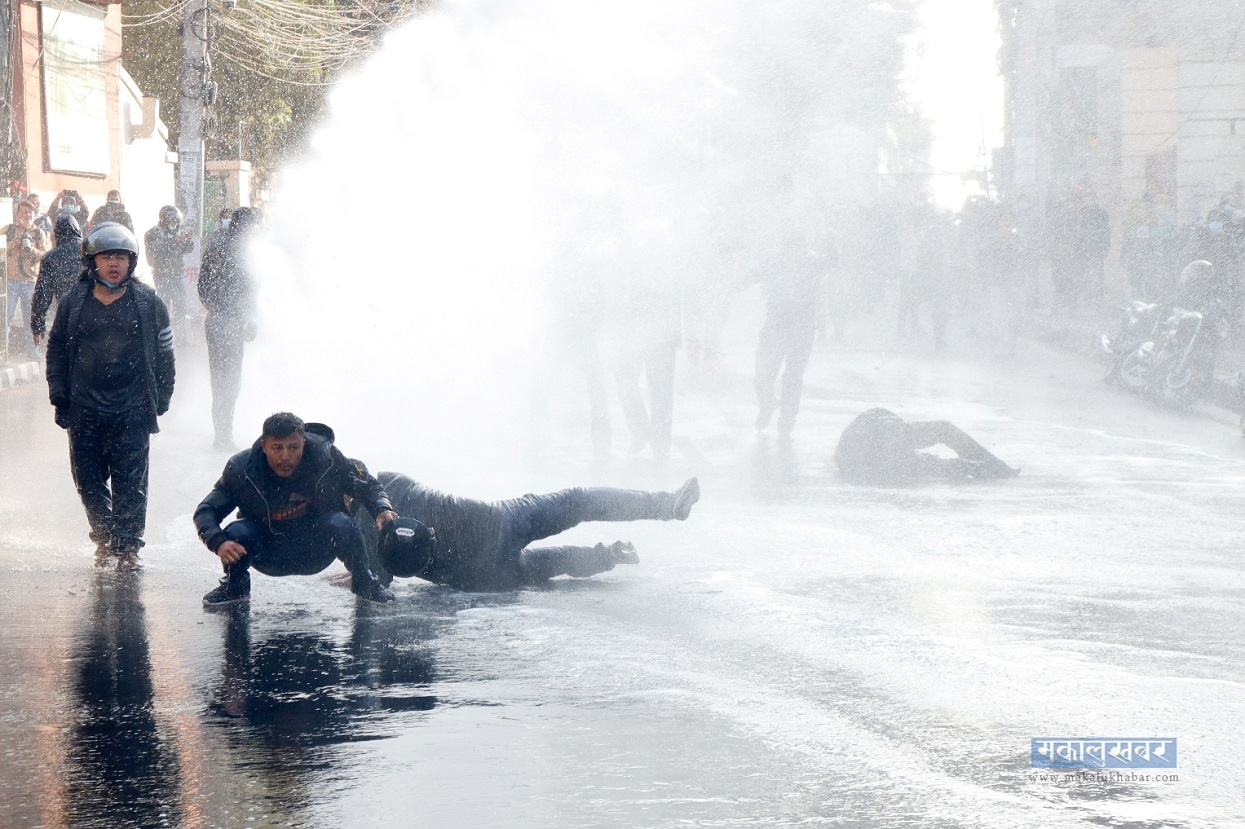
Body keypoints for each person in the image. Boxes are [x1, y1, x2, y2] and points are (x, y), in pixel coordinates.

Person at [45, 223, 176, 567]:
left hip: (132, 406)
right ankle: (104, 536)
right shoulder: (74, 302)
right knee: (87, 480)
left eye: (120, 257)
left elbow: (165, 355)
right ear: (92, 261)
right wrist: (59, 394)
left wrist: (162, 396)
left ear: (131, 262)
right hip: (84, 407)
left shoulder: (149, 303)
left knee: (130, 480)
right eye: (106, 257)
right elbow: (57, 348)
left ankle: (128, 546)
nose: (114, 263)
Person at [354, 471, 701, 591]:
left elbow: (378, 581)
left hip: (480, 577)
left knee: (548, 564)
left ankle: (611, 556)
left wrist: (362, 573)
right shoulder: (386, 485)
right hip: (497, 525)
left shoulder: (366, 530)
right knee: (578, 502)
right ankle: (666, 505)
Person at [193, 412, 399, 607]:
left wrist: (382, 507)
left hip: (315, 548)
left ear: (304, 443)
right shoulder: (241, 468)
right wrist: (218, 542)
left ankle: (365, 584)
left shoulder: (326, 459)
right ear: (264, 446)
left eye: (293, 448)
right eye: (277, 448)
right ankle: (234, 587)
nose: (285, 456)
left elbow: (367, 485)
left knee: (342, 523)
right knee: (235, 533)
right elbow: (206, 510)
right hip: (268, 550)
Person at [198, 206, 258, 450]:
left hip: (221, 320)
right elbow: (207, 287)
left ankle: (223, 433)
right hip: (226, 321)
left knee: (223, 380)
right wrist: (235, 313)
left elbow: (204, 289)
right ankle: (223, 436)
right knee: (228, 381)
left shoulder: (223, 248)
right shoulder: (239, 251)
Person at [834, 408, 1019, 485]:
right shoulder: (890, 433)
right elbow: (945, 430)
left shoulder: (869, 438)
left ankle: (981, 467)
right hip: (871, 450)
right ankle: (986, 467)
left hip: (858, 461)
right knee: (940, 458)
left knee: (938, 466)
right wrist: (998, 467)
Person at [755, 236, 824, 438]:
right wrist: (722, 290)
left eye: (799, 248)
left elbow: (833, 261)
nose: (796, 253)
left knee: (793, 377)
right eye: (791, 249)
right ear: (785, 249)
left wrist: (833, 244)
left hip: (802, 330)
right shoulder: (772, 263)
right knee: (763, 374)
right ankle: (767, 404)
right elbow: (748, 276)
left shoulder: (813, 262)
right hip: (775, 328)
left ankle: (787, 420)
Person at [30, 214, 84, 347]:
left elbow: (42, 294)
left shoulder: (50, 257)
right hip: (92, 312)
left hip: (65, 313)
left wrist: (38, 324)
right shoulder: (89, 251)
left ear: (56, 234)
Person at [143, 206, 194, 344]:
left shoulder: (176, 231)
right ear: (163, 218)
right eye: (170, 219)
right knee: (163, 306)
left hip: (177, 274)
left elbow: (188, 248)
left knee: (181, 305)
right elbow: (155, 251)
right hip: (162, 274)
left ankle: (181, 338)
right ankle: (161, 338)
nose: (173, 223)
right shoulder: (153, 233)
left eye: (175, 220)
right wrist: (173, 242)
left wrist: (187, 240)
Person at [4, 199, 48, 356]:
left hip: (30, 282)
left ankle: (33, 350)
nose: (27, 215)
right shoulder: (8, 230)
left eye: (30, 212)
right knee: (6, 316)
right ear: (17, 214)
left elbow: (46, 255)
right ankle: (4, 349)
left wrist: (33, 250)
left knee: (31, 318)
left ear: (34, 214)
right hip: (10, 280)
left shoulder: (38, 233)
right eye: (23, 212)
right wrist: (11, 245)